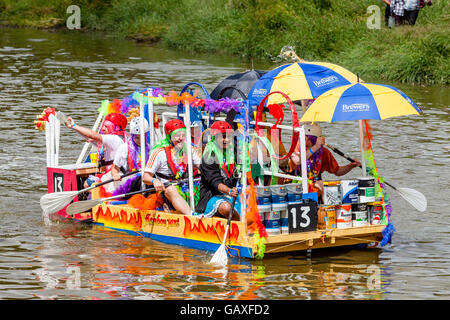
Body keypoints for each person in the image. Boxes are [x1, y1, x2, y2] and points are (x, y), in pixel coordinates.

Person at [289, 123, 361, 200]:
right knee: (316, 185)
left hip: (316, 184)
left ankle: (326, 209)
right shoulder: (295, 147)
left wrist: (351, 166)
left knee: (323, 185)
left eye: (310, 139)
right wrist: (315, 146)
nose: (306, 143)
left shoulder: (324, 152)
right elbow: (298, 161)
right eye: (304, 139)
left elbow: (337, 171)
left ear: (316, 140)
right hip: (295, 183)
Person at [142, 119, 201, 215]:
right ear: (169, 136)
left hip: (184, 185)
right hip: (165, 189)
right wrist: (154, 181)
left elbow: (201, 167)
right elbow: (145, 177)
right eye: (177, 135)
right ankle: (191, 216)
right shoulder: (159, 152)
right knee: (171, 190)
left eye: (183, 135)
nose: (181, 138)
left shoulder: (189, 149)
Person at [65, 113, 128, 190]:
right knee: (88, 182)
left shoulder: (114, 139)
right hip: (111, 173)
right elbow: (89, 138)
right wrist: (74, 128)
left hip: (115, 175)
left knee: (87, 184)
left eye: (106, 126)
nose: (103, 129)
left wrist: (74, 126)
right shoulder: (119, 138)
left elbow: (92, 135)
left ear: (115, 127)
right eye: (103, 126)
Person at [195, 121, 241, 221]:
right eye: (223, 136)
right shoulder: (209, 156)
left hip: (232, 193)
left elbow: (238, 174)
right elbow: (215, 182)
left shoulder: (233, 152)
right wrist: (229, 191)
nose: (227, 140)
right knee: (227, 208)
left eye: (229, 136)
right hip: (212, 196)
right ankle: (242, 227)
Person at [110, 116, 151, 195]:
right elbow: (114, 169)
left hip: (144, 179)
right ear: (132, 136)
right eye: (137, 138)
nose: (140, 141)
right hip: (129, 181)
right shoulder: (124, 148)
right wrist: (115, 175)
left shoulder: (150, 148)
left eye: (143, 137)